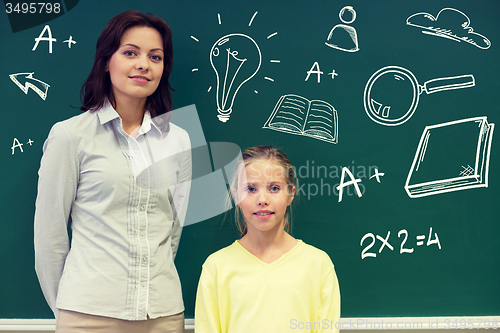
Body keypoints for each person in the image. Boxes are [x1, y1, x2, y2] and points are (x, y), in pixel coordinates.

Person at [34, 10, 191, 333]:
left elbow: (173, 230)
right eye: (130, 53)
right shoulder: (70, 135)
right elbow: (49, 236)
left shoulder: (181, 138)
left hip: (162, 316)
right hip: (87, 315)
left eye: (155, 57)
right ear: (107, 61)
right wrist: (69, 307)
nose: (143, 65)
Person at [194, 146, 340, 332]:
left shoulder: (318, 265)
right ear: (236, 195)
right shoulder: (216, 268)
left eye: (274, 188)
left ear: (290, 194)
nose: (262, 199)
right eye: (251, 189)